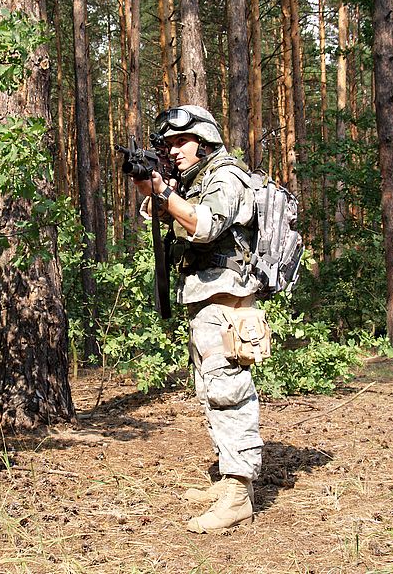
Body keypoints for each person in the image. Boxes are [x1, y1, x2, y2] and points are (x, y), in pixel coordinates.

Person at [133, 105, 264, 534]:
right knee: (210, 389)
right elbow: (166, 216)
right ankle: (229, 478)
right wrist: (156, 192)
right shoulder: (197, 181)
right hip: (206, 299)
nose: (173, 151)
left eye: (180, 142)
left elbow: (205, 226)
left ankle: (238, 495)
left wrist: (166, 195)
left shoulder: (226, 176)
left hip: (228, 301)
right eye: (167, 144)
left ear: (205, 141)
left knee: (229, 391)